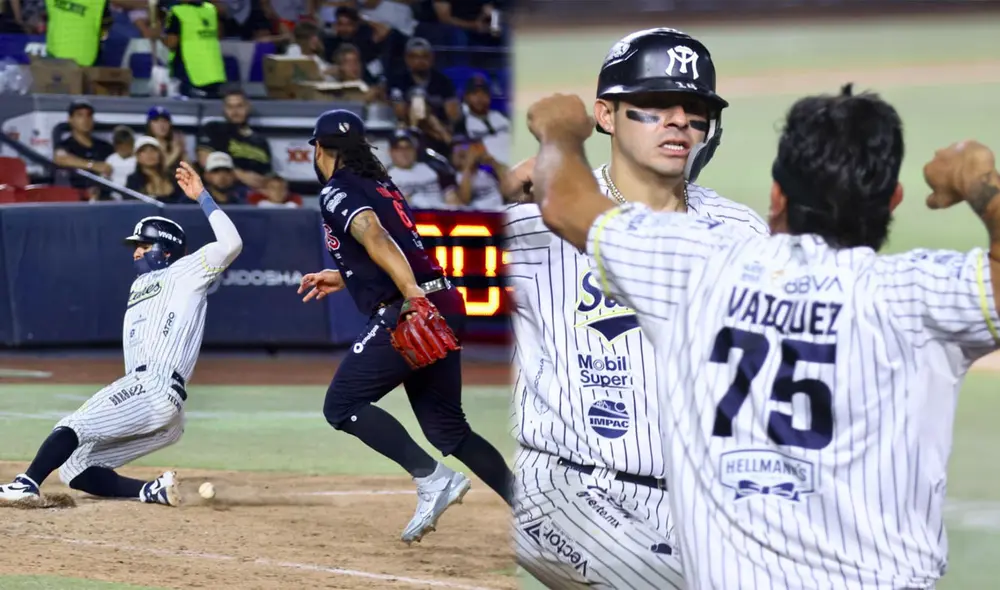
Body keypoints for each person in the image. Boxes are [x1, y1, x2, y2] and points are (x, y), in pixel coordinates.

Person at [525, 83, 1000, 588]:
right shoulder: (916, 298)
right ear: (894, 200)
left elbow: (563, 200)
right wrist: (978, 179)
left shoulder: (694, 266)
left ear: (778, 197)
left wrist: (561, 132)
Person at [505, 28, 767, 589]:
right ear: (605, 115)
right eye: (652, 105)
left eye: (695, 109)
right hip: (566, 490)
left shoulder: (741, 230)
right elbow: (407, 251)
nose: (678, 120)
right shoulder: (531, 225)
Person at [296, 109, 513, 544]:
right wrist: (345, 276)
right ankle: (538, 513)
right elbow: (394, 246)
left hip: (411, 306)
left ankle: (432, 479)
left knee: (342, 406)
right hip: (443, 300)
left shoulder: (337, 190)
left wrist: (411, 295)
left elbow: (375, 235)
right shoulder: (379, 183)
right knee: (448, 429)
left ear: (318, 149)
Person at [0, 162, 243, 507]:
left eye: (144, 245)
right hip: (162, 407)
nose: (136, 251)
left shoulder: (185, 272)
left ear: (166, 248)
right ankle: (152, 491)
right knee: (75, 466)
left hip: (153, 387)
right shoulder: (141, 284)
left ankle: (26, 483)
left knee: (74, 423)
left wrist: (202, 196)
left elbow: (231, 242)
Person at [126, 136, 186, 204]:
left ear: (160, 155)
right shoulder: (133, 180)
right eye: (144, 151)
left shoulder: (173, 177)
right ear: (137, 156)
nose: (149, 154)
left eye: (153, 150)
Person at [145, 106, 188, 174]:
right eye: (156, 121)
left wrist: (183, 151)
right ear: (149, 124)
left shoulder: (174, 144)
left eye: (165, 121)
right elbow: (155, 173)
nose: (161, 125)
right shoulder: (145, 145)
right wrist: (174, 153)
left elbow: (190, 171)